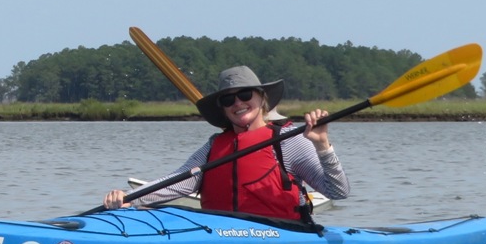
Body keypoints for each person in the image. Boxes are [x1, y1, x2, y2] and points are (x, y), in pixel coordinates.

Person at [103, 66, 350, 221]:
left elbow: (338, 192)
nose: (237, 103)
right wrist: (129, 199)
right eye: (228, 99)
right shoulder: (214, 146)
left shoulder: (288, 141)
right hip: (220, 234)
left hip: (282, 236)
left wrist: (322, 145)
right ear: (222, 108)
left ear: (262, 98)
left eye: (245, 95)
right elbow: (176, 182)